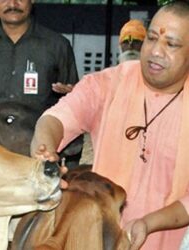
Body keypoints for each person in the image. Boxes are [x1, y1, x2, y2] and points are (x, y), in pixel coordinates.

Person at [31, 1, 189, 250]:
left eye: (171, 44)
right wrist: (45, 150)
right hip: (97, 239)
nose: (155, 51)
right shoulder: (109, 84)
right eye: (151, 38)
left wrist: (148, 223)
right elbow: (55, 118)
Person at [0, 0, 83, 165]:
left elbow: (73, 111)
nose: (12, 4)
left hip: (38, 159)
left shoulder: (57, 46)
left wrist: (70, 166)